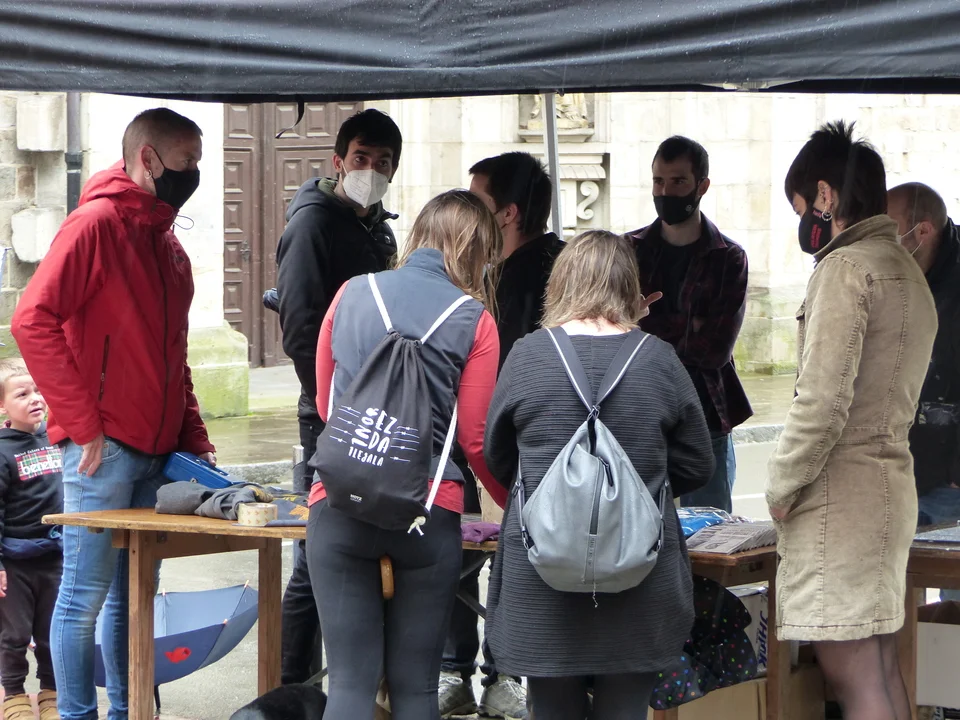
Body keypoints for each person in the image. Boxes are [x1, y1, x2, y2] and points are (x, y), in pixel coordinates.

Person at [11, 107, 215, 720]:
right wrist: (83, 425)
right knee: (84, 598)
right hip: (104, 448)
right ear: (148, 159)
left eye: (199, 161)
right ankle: (78, 715)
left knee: (135, 598)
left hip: (156, 450)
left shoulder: (167, 243)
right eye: (186, 161)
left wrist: (195, 439)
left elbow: (174, 355)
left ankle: (129, 713)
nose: (195, 172)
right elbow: (31, 320)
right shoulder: (96, 223)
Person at [483, 230, 714, 720]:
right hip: (640, 577)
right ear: (630, 287)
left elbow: (498, 457)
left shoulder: (527, 356)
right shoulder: (659, 359)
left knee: (551, 707)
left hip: (541, 575)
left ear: (559, 284)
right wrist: (637, 488)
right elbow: (698, 462)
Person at [306, 190, 508, 720]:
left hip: (340, 501)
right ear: (476, 252)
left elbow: (327, 406)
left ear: (419, 235)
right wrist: (510, 500)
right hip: (427, 510)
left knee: (349, 686)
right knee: (416, 688)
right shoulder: (476, 320)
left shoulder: (351, 292)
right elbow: (475, 437)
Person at [766, 121, 937, 720]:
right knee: (881, 668)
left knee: (854, 676)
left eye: (800, 208)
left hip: (840, 500)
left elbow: (822, 402)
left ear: (825, 195)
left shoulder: (845, 269)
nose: (802, 224)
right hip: (889, 486)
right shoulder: (905, 268)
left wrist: (781, 487)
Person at [274, 108, 401, 685]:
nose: (369, 170)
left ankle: (347, 680)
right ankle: (292, 684)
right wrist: (328, 403)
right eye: (360, 158)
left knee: (358, 550)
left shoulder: (380, 229)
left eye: (382, 162)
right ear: (338, 161)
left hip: (376, 407)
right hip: (328, 411)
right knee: (316, 552)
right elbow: (300, 327)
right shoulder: (312, 225)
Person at [438, 152, 561, 720]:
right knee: (459, 550)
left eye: (478, 202)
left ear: (508, 213)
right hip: (472, 435)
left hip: (523, 441)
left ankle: (503, 673)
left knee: (514, 560)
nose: (468, 214)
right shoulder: (484, 269)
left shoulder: (547, 269)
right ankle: (456, 671)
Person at [628, 136, 752, 514]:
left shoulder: (729, 258)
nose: (666, 192)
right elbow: (610, 329)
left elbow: (714, 350)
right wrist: (689, 325)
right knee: (638, 522)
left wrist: (646, 324)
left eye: (678, 181)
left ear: (702, 186)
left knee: (710, 526)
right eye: (658, 181)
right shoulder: (628, 251)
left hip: (705, 412)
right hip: (639, 410)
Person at [887, 184, 960, 537]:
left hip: (948, 480)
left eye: (890, 230)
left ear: (923, 230)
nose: (883, 242)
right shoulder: (899, 274)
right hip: (903, 465)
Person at [0, 360, 63, 720]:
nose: (35, 398)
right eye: (22, 394)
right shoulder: (2, 451)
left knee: (53, 630)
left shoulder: (59, 437)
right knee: (15, 634)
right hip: (14, 563)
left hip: (56, 555)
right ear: (2, 406)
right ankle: (13, 695)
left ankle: (51, 693)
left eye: (38, 390)